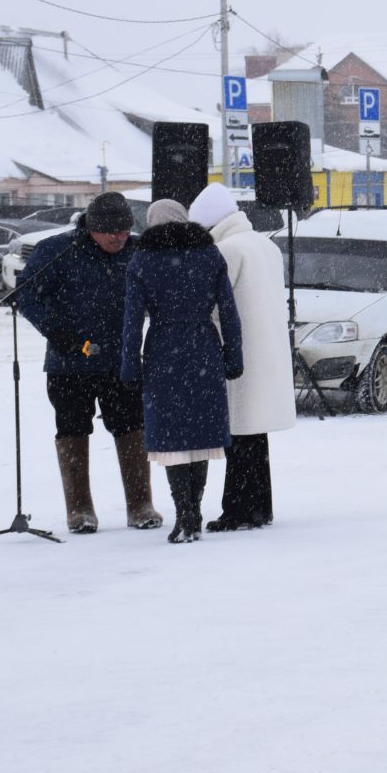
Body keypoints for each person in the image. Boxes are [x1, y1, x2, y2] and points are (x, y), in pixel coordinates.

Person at [14, 191, 161, 534]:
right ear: (91, 228)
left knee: (131, 427)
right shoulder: (58, 250)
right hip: (70, 363)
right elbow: (26, 295)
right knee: (73, 429)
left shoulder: (139, 251)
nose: (119, 238)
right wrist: (60, 335)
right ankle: (79, 509)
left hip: (121, 363)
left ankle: (140, 504)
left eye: (125, 230)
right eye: (111, 232)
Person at [120, 200, 242, 544]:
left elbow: (131, 322)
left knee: (172, 437)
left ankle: (184, 514)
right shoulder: (209, 255)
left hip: (162, 351)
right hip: (204, 346)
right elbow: (229, 313)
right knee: (201, 435)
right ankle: (196, 511)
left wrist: (129, 365)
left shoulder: (142, 260)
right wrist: (233, 356)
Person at [189, 185, 294, 531]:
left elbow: (213, 306)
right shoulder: (265, 245)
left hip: (241, 352)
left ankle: (238, 510)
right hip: (268, 351)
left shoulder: (226, 250)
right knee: (255, 437)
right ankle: (260, 507)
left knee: (239, 436)